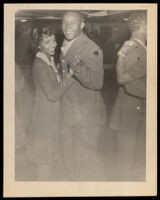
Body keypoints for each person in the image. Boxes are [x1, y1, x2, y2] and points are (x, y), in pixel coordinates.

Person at [60, 11, 107, 180]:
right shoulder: (66, 43)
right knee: (70, 160)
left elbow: (97, 82)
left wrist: (80, 68)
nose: (68, 26)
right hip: (69, 112)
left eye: (73, 23)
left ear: (82, 25)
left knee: (86, 164)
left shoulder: (91, 48)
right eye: (64, 22)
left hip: (86, 116)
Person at [27, 26, 74, 181]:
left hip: (50, 119)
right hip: (44, 122)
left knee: (49, 160)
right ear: (38, 45)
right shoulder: (40, 65)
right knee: (44, 162)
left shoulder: (48, 60)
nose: (53, 44)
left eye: (53, 40)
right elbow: (53, 94)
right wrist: (70, 77)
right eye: (47, 42)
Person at [109, 11, 147, 180]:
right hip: (130, 111)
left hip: (135, 111)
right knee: (127, 159)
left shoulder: (140, 47)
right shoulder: (134, 48)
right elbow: (128, 83)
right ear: (144, 26)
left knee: (133, 157)